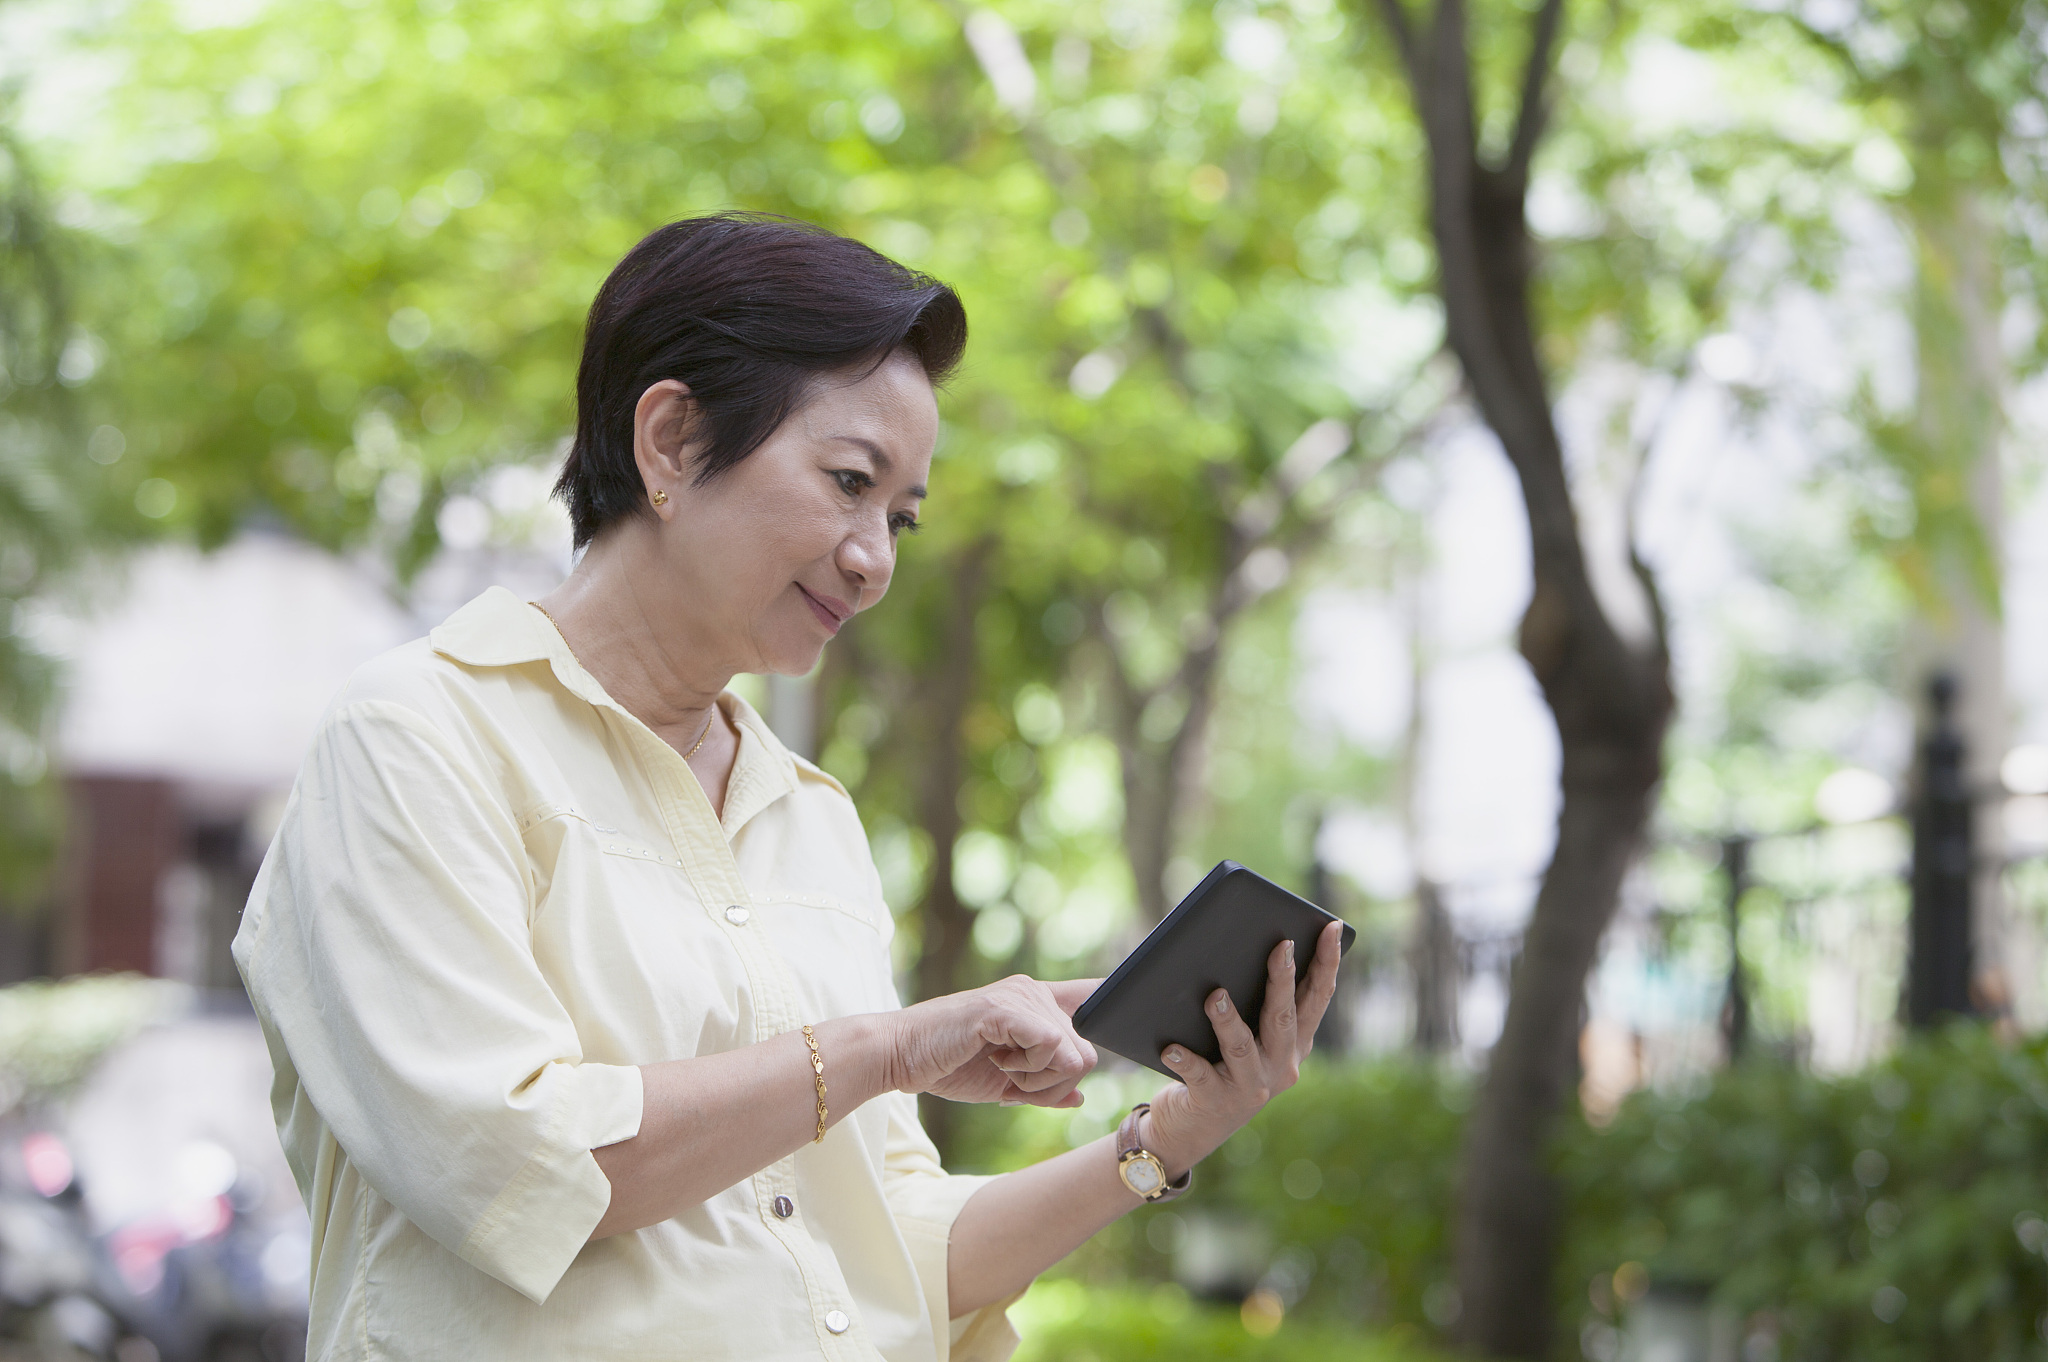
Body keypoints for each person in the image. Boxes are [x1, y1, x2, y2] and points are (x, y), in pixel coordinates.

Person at [233, 214, 1347, 1362]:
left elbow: (890, 1250)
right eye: (848, 482)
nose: (874, 558)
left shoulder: (810, 814)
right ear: (670, 441)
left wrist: (1161, 1138)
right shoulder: (416, 736)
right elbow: (519, 1165)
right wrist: (887, 1049)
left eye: (900, 516)